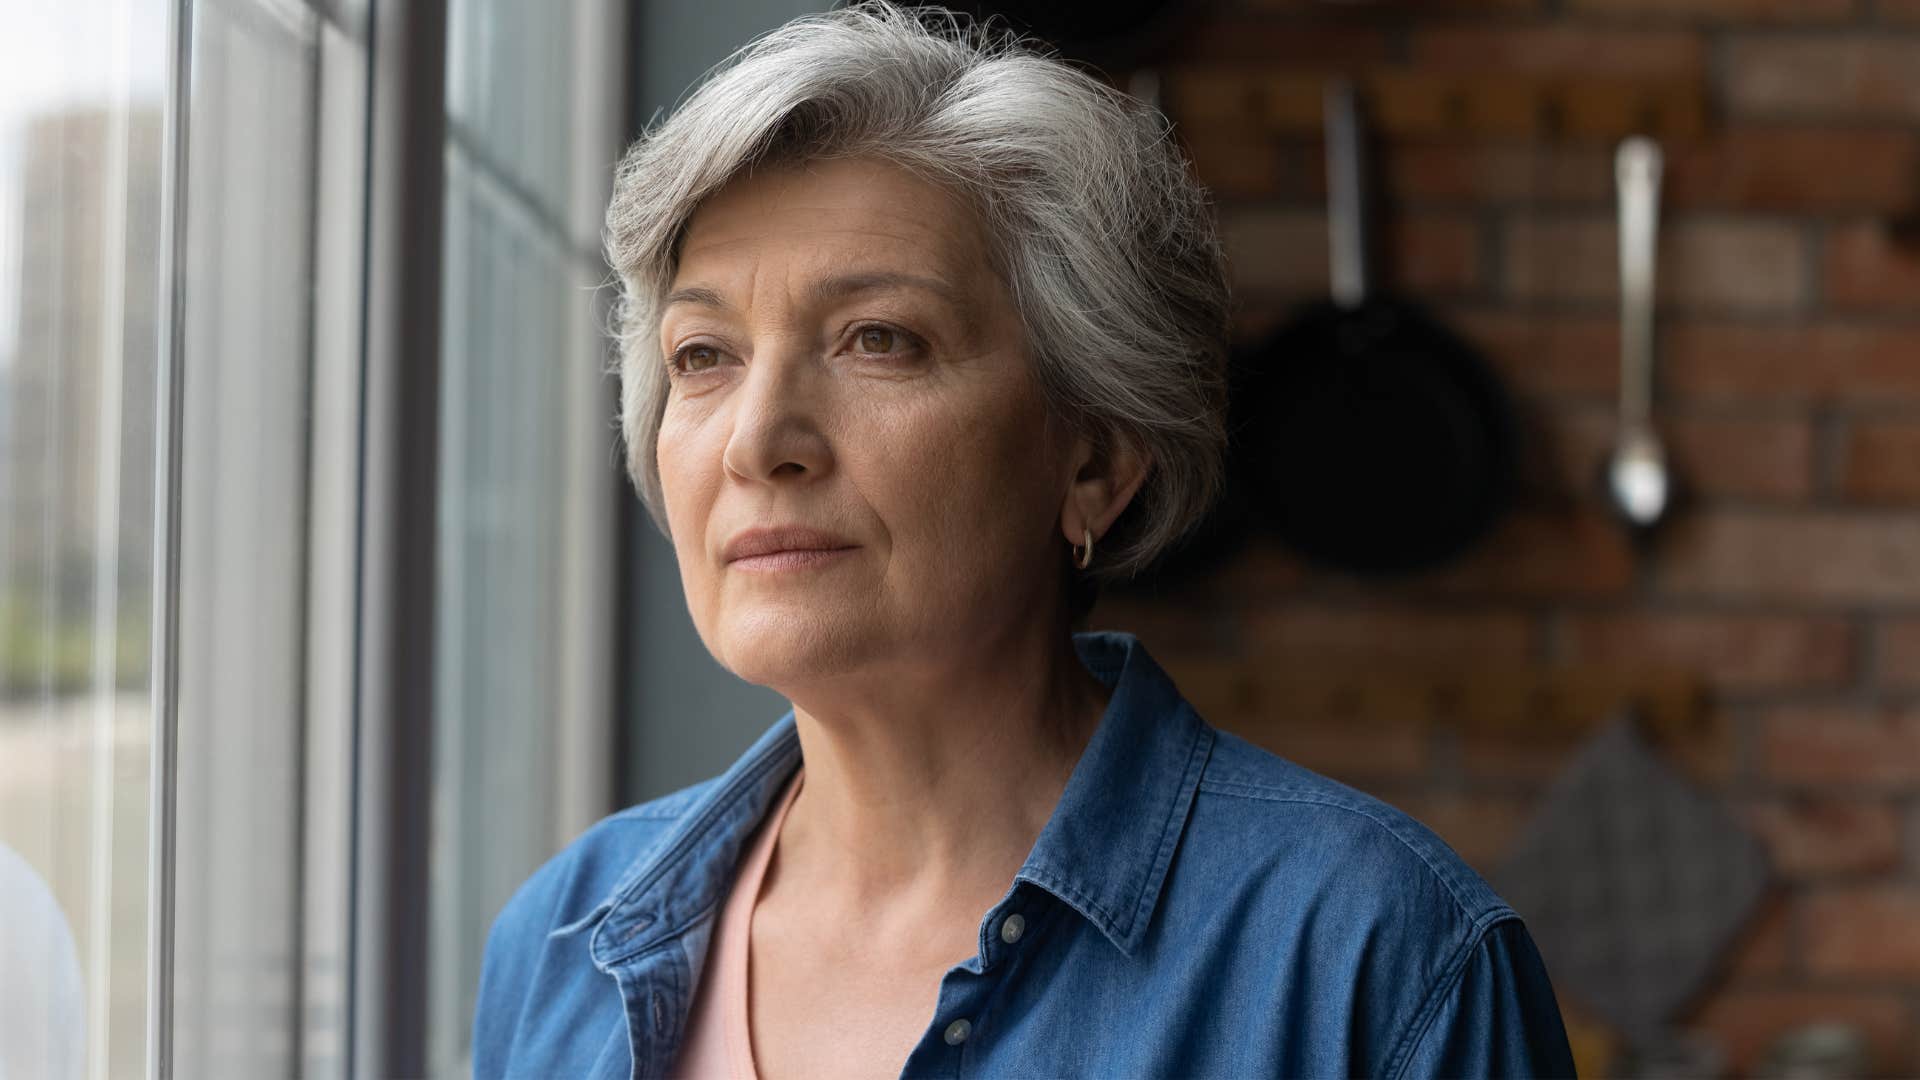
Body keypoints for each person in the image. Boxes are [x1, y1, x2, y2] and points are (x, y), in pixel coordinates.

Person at [474, 4, 1578, 1077]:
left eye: (878, 339)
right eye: (704, 355)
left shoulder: (1377, 961)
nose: (759, 441)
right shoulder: (561, 940)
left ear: (1093, 459)